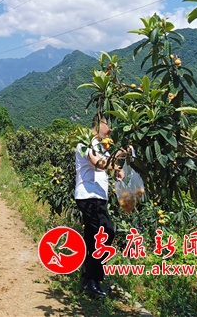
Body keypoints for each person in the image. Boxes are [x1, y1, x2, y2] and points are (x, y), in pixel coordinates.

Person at [75, 114, 129, 298]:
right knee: (106, 232)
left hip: (98, 197)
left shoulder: (100, 147)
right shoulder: (84, 144)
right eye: (107, 124)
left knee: (92, 237)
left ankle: (86, 279)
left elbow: (109, 163)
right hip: (89, 195)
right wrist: (114, 163)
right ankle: (94, 279)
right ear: (97, 124)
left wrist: (120, 158)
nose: (110, 129)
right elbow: (99, 163)